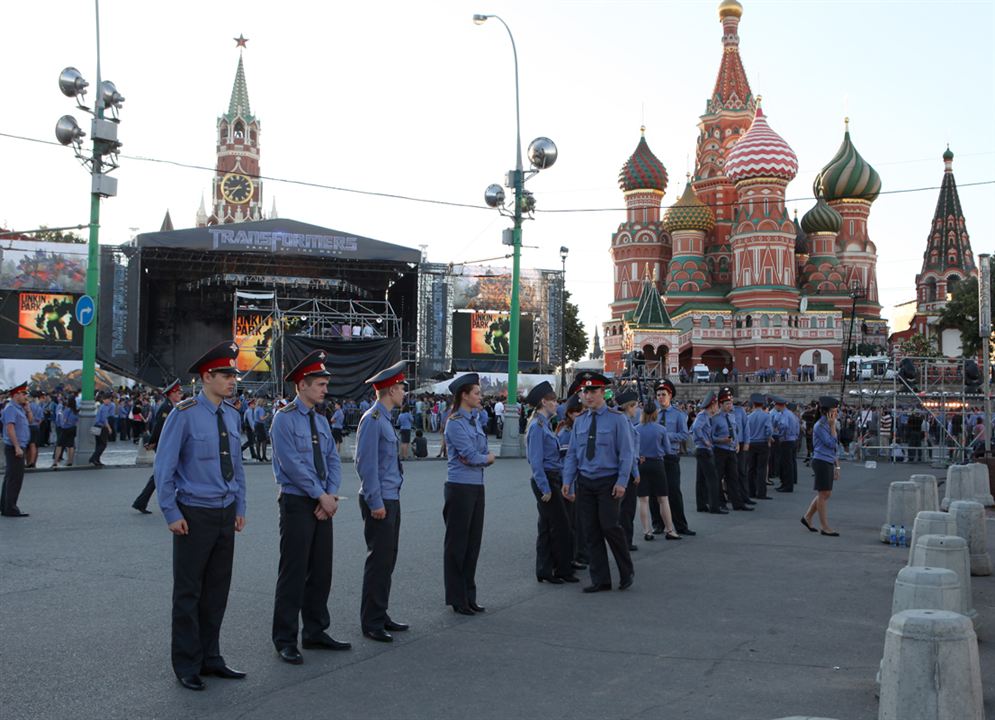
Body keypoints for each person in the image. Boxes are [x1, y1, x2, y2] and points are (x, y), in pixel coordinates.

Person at [153, 341, 247, 691]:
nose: (231, 381)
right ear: (206, 376)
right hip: (193, 512)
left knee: (217, 591)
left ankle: (211, 656)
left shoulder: (233, 415)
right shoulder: (184, 413)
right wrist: (170, 511)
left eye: (233, 375)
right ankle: (186, 663)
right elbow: (165, 467)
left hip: (224, 512)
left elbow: (237, 467)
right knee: (189, 592)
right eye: (225, 375)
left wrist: (240, 506)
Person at [271, 350, 350, 664]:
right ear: (301, 384)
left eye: (325, 384)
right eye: (319, 383)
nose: (324, 389)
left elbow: (332, 459)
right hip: (297, 502)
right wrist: (320, 495)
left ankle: (315, 631)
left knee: (321, 571)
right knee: (293, 573)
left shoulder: (321, 419)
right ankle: (285, 639)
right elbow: (291, 465)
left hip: (322, 503)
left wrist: (329, 495)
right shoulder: (284, 419)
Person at [562, 372, 635, 593]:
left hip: (608, 481)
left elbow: (627, 453)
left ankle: (626, 570)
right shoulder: (581, 421)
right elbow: (573, 454)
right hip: (586, 481)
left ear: (603, 393)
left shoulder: (617, 419)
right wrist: (568, 480)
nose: (589, 395)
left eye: (593, 391)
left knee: (610, 526)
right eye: (585, 391)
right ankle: (600, 579)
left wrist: (622, 482)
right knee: (591, 531)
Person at [356, 360, 410, 643]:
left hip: (391, 497)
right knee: (378, 561)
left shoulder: (385, 419)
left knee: (388, 560)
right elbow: (365, 465)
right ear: (390, 389)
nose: (404, 392)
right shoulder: (373, 420)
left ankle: (381, 611)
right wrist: (376, 502)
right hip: (380, 501)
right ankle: (372, 621)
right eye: (401, 387)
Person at [443, 373, 495, 615]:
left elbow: (476, 453)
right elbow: (472, 456)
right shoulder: (455, 422)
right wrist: (486, 458)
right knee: (457, 545)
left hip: (476, 485)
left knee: (473, 542)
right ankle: (457, 597)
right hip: (460, 487)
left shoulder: (474, 421)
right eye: (476, 393)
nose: (480, 397)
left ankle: (469, 595)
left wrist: (480, 457)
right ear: (464, 395)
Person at [524, 381, 577, 585]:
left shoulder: (544, 424)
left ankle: (545, 570)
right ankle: (562, 569)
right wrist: (545, 487)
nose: (557, 404)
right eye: (554, 401)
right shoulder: (538, 427)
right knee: (561, 526)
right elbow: (535, 461)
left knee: (547, 527)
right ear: (544, 402)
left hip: (551, 478)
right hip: (546, 480)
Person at [132, 380, 183, 514]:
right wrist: (153, 442)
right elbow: (159, 426)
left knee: (161, 474)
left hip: (168, 444)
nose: (180, 395)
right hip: (164, 445)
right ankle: (145, 502)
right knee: (163, 473)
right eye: (178, 392)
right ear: (171, 393)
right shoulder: (166, 408)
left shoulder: (171, 405)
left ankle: (141, 502)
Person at [636, 400, 681, 541]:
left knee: (643, 500)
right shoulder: (661, 429)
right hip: (657, 464)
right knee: (663, 499)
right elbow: (668, 450)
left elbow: (631, 448)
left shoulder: (636, 428)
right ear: (655, 413)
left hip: (642, 464)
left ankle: (647, 531)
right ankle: (669, 530)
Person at [655, 380, 694, 536]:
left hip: (671, 456)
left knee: (674, 492)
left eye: (663, 394)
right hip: (656, 457)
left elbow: (684, 434)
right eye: (658, 395)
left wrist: (666, 435)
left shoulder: (678, 414)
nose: (660, 398)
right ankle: (657, 524)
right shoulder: (652, 414)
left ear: (670, 395)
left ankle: (680, 525)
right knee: (655, 493)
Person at [801, 396, 841, 537]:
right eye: (834, 411)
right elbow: (831, 443)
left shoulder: (829, 424)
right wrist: (832, 426)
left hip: (828, 460)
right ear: (826, 412)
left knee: (825, 494)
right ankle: (824, 527)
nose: (836, 413)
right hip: (821, 461)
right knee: (823, 494)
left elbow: (835, 448)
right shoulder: (820, 426)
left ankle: (807, 517)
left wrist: (837, 467)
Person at [557, 392, 588, 570]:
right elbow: (565, 463)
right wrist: (569, 486)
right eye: (578, 412)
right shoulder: (566, 434)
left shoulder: (579, 429)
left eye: (583, 411)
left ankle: (582, 553)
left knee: (582, 521)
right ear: (569, 414)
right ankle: (576, 555)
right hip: (573, 483)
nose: (581, 414)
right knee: (574, 523)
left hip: (583, 482)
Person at [712, 388, 752, 512]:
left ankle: (737, 503)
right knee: (718, 477)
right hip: (720, 451)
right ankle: (720, 502)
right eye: (727, 404)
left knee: (733, 477)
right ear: (720, 404)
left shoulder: (733, 416)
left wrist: (737, 443)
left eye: (730, 403)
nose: (730, 406)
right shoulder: (715, 418)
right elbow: (711, 437)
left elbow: (736, 431)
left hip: (732, 450)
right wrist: (722, 440)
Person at [615, 389, 641, 552]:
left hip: (623, 469)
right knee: (627, 509)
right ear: (629, 406)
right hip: (629, 471)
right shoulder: (626, 423)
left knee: (624, 509)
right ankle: (626, 541)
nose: (637, 410)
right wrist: (636, 472)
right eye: (635, 406)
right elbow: (629, 451)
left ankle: (624, 540)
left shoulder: (623, 421)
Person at [692, 391, 725, 515]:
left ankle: (701, 505)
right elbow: (695, 428)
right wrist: (704, 440)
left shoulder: (705, 416)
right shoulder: (703, 415)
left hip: (701, 450)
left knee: (700, 479)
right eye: (716, 404)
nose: (717, 407)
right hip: (704, 450)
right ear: (712, 405)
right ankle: (714, 506)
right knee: (712, 479)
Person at [2, 382, 31, 517]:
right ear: (16, 394)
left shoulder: (19, 408)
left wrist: (28, 409)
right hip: (15, 447)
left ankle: (5, 506)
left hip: (18, 446)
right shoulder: (11, 409)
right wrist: (17, 446)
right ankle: (11, 509)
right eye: (24, 393)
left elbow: (32, 421)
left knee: (10, 477)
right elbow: (10, 428)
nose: (26, 396)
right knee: (15, 479)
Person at [744, 393, 772, 500]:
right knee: (762, 469)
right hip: (762, 443)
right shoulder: (766, 416)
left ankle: (751, 491)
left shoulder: (748, 417)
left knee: (751, 468)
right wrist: (768, 438)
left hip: (751, 443)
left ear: (753, 404)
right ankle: (761, 493)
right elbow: (769, 430)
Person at [775, 399, 800, 492]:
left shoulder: (785, 414)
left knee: (786, 464)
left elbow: (784, 426)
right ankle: (786, 484)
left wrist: (781, 433)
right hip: (792, 440)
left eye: (776, 405)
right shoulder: (790, 414)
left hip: (786, 440)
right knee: (788, 463)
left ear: (779, 405)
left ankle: (787, 485)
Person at [52, 394, 79, 469]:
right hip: (73, 428)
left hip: (65, 428)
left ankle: (55, 462)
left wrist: (64, 423)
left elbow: (64, 420)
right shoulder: (76, 410)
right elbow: (77, 420)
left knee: (59, 445)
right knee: (70, 445)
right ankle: (70, 461)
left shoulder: (67, 410)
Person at [88, 393, 114, 467]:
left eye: (109, 400)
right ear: (104, 400)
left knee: (98, 444)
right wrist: (109, 428)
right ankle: (93, 458)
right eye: (108, 399)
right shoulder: (105, 407)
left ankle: (97, 460)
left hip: (97, 426)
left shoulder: (101, 406)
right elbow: (104, 419)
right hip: (102, 427)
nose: (109, 401)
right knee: (103, 444)